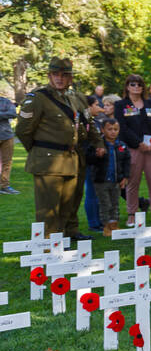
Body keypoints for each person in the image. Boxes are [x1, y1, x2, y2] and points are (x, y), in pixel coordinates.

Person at [14, 57, 102, 238]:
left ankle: (62, 240)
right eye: (55, 74)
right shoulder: (38, 98)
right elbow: (23, 130)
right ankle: (48, 245)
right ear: (49, 76)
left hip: (70, 159)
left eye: (64, 75)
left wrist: (97, 142)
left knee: (67, 205)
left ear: (70, 78)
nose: (59, 78)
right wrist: (39, 150)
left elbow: (86, 123)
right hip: (48, 161)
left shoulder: (74, 98)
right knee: (49, 208)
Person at [114, 74, 151, 225]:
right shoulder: (121, 105)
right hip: (133, 150)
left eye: (140, 84)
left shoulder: (150, 104)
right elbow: (122, 128)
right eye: (133, 84)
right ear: (127, 86)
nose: (137, 87)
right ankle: (132, 214)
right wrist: (138, 143)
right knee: (132, 183)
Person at [86, 118, 131, 235]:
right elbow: (88, 159)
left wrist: (125, 177)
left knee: (115, 203)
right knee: (105, 204)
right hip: (101, 181)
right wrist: (96, 155)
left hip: (116, 180)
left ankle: (114, 225)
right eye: (109, 129)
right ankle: (105, 226)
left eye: (115, 129)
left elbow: (127, 162)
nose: (113, 132)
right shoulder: (97, 145)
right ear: (102, 130)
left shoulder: (122, 145)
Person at [80, 94, 104, 232]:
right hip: (88, 159)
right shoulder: (84, 121)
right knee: (91, 191)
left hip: (93, 159)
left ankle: (98, 220)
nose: (98, 108)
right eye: (96, 105)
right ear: (88, 106)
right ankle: (94, 222)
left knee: (95, 191)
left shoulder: (90, 120)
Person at [0, 94, 19, 195]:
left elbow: (13, 114)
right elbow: (9, 113)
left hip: (7, 136)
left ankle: (5, 186)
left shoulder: (5, 101)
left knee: (7, 162)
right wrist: (4, 114)